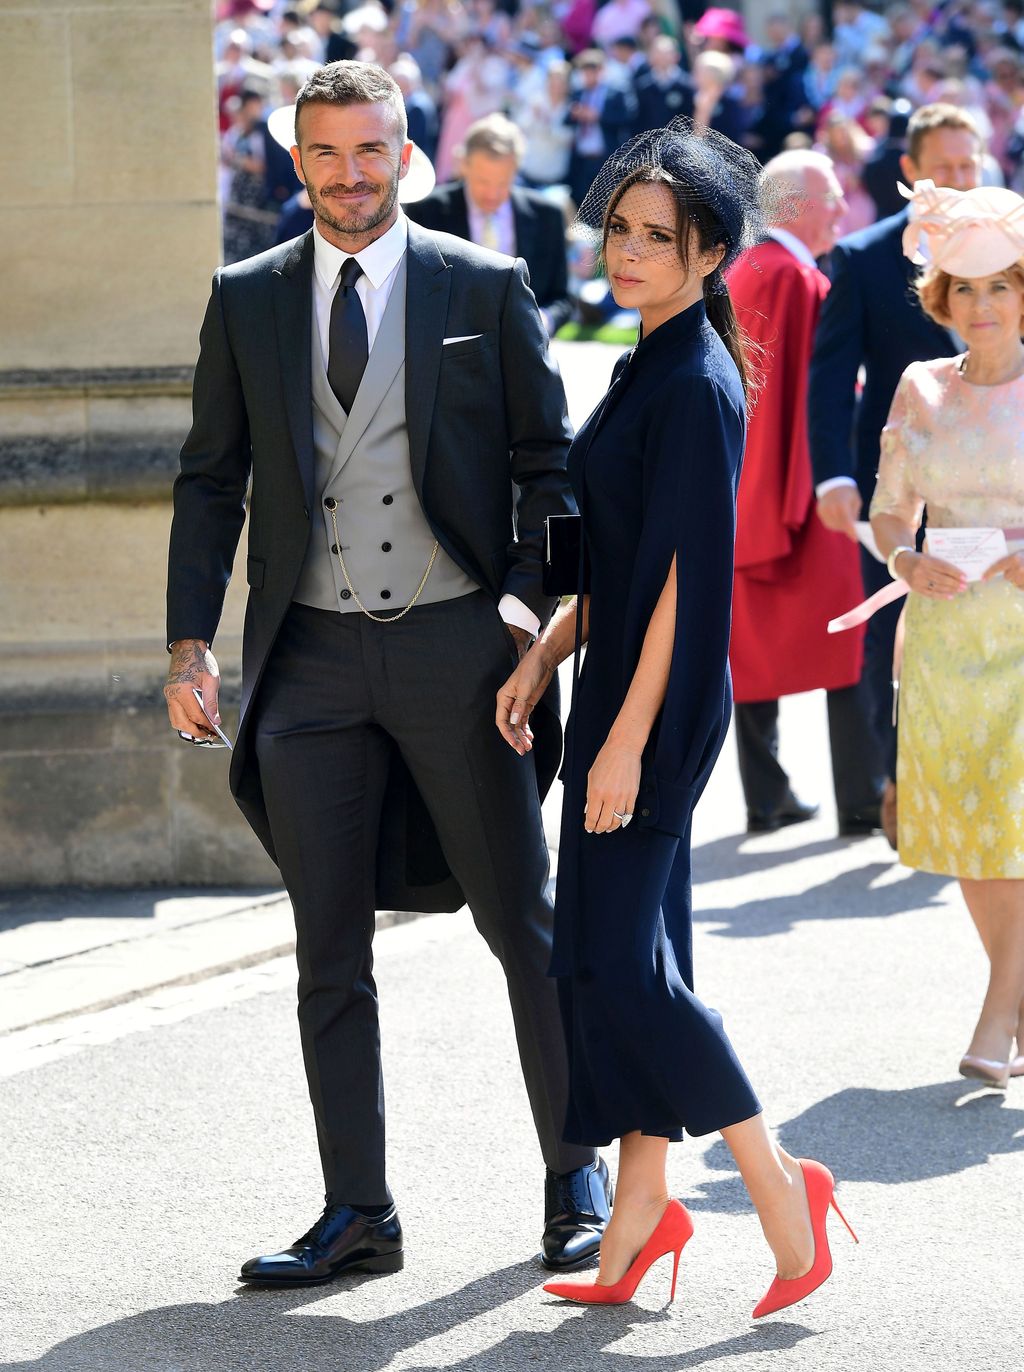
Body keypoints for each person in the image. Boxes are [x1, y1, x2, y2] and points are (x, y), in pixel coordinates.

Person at [164, 60, 612, 1287]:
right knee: (325, 952)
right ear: (295, 162)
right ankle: (357, 1210)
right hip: (305, 660)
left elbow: (549, 465)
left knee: (524, 923)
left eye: (371, 152)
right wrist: (189, 641)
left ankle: (575, 1179)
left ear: (405, 155)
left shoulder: (484, 281)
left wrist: (535, 611)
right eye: (326, 154)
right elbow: (210, 478)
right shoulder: (244, 296)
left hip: (458, 648)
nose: (350, 175)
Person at [495, 120, 855, 1316]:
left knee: (611, 966)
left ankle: (779, 1187)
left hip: (657, 706)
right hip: (615, 690)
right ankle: (638, 1223)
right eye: (620, 231)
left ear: (709, 257)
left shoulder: (696, 382)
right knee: (630, 958)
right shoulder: (648, 359)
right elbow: (621, 558)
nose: (628, 251)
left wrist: (627, 735)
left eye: (659, 238)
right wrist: (549, 651)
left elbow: (687, 582)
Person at [869, 180, 1024, 1089]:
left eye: (1000, 285)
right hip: (943, 637)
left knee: (1019, 818)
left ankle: (999, 1007)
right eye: (965, 289)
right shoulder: (921, 388)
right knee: (973, 826)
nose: (983, 305)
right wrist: (903, 565)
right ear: (942, 299)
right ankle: (1014, 998)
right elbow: (893, 514)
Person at [808, 103, 982, 848]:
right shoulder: (866, 257)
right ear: (911, 174)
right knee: (889, 634)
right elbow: (829, 376)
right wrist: (833, 478)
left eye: (970, 165)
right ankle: (895, 781)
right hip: (899, 485)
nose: (960, 179)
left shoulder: (1011, 254)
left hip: (994, 480)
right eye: (945, 167)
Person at [727, 150, 883, 836]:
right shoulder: (796, 278)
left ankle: (768, 796)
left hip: (746, 490)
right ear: (793, 206)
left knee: (753, 650)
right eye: (832, 199)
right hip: (802, 485)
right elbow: (824, 392)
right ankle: (862, 795)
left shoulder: (741, 270)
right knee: (850, 637)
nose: (844, 212)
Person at [405, 114, 574, 336]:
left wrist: (542, 320)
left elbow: (561, 298)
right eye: (483, 181)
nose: (492, 194)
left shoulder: (546, 217)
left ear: (516, 171)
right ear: (464, 165)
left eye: (503, 182)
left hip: (523, 350)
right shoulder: (426, 212)